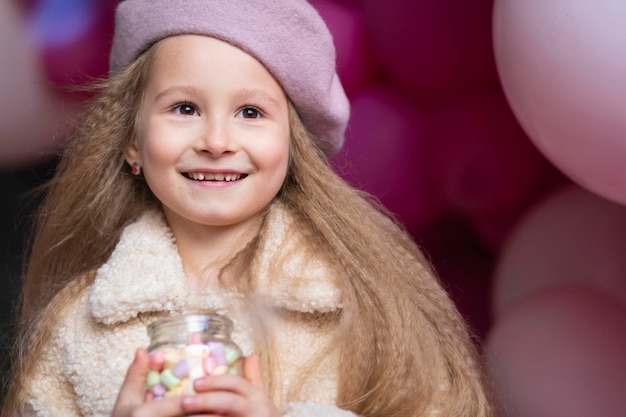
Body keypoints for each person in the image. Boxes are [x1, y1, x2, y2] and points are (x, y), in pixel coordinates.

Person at [1, 1, 494, 416]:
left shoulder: (362, 301)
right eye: (185, 109)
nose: (216, 141)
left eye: (251, 113)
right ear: (131, 140)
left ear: (291, 144)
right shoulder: (78, 321)